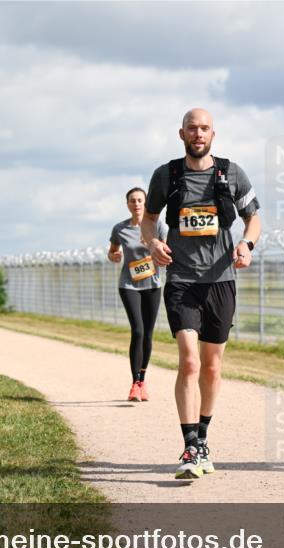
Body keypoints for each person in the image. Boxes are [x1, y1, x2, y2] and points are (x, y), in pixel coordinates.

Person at [142, 107, 261, 480]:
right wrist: (152, 244)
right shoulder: (167, 175)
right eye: (192, 128)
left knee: (211, 366)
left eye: (204, 128)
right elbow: (149, 219)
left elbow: (253, 217)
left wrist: (247, 245)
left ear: (214, 133)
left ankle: (204, 437)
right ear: (181, 134)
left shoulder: (231, 173)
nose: (198, 134)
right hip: (181, 281)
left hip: (221, 280)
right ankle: (190, 445)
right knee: (190, 361)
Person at [109, 187, 168, 402]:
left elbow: (167, 248)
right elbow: (113, 250)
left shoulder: (157, 226)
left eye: (140, 200)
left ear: (145, 203)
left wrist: (157, 244)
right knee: (138, 330)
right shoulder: (120, 228)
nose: (136, 204)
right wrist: (114, 255)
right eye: (132, 200)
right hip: (129, 285)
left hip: (152, 285)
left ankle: (142, 380)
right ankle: (134, 383)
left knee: (149, 333)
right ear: (127, 204)